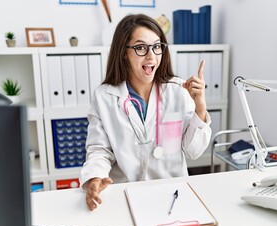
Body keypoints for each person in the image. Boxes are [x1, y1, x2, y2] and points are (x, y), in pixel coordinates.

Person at [79, 14, 212, 211]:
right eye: (141, 47)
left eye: (157, 46)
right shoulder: (104, 96)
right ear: (124, 52)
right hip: (124, 193)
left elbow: (194, 151)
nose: (151, 56)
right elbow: (99, 150)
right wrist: (95, 177)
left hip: (171, 195)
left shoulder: (177, 90)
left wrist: (200, 106)